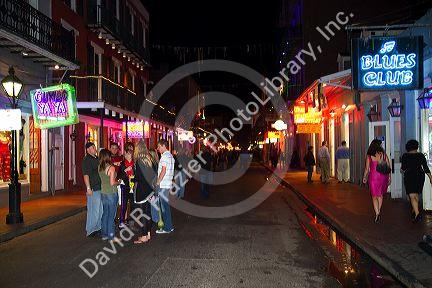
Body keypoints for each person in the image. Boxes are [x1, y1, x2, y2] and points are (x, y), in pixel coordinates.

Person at [401, 139, 432, 223]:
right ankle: (415, 212)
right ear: (416, 147)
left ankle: (417, 214)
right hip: (419, 176)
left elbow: (403, 168)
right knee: (416, 194)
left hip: (409, 176)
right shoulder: (421, 155)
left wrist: (402, 170)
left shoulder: (405, 156)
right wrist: (430, 177)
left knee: (412, 195)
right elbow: (425, 167)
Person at [132, 141, 155, 244]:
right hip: (150, 190)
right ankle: (148, 233)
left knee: (141, 214)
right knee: (148, 213)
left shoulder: (139, 161)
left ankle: (144, 235)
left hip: (141, 190)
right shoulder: (150, 159)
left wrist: (133, 179)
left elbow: (138, 177)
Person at [363, 140, 391, 223]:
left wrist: (364, 177)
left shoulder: (369, 156)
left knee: (374, 196)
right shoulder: (384, 154)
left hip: (373, 177)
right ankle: (379, 211)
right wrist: (390, 177)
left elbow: (367, 169)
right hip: (383, 176)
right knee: (380, 195)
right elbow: (389, 167)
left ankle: (377, 213)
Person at [82, 142, 102, 237]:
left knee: (100, 209)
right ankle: (91, 230)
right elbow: (86, 175)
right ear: (88, 150)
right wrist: (88, 188)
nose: (95, 148)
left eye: (94, 147)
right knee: (93, 210)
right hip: (93, 188)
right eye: (93, 147)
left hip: (100, 187)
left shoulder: (97, 158)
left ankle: (98, 227)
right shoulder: (87, 160)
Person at [98, 149, 119, 240]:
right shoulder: (111, 168)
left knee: (105, 213)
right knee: (111, 215)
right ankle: (111, 236)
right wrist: (118, 182)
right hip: (111, 192)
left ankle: (104, 234)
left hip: (103, 192)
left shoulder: (99, 167)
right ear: (108, 157)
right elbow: (112, 182)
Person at [155, 139, 175, 234]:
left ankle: (167, 227)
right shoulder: (170, 156)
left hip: (163, 184)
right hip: (168, 183)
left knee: (164, 207)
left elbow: (163, 170)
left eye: (159, 147)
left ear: (163, 146)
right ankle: (169, 226)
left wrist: (158, 182)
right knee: (165, 207)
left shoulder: (164, 157)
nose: (158, 149)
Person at [117, 142, 135, 228]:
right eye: (127, 153)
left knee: (133, 204)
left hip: (133, 186)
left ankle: (131, 221)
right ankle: (121, 221)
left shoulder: (135, 164)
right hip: (125, 186)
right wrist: (125, 171)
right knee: (124, 205)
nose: (128, 155)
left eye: (129, 154)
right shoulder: (122, 164)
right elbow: (119, 176)